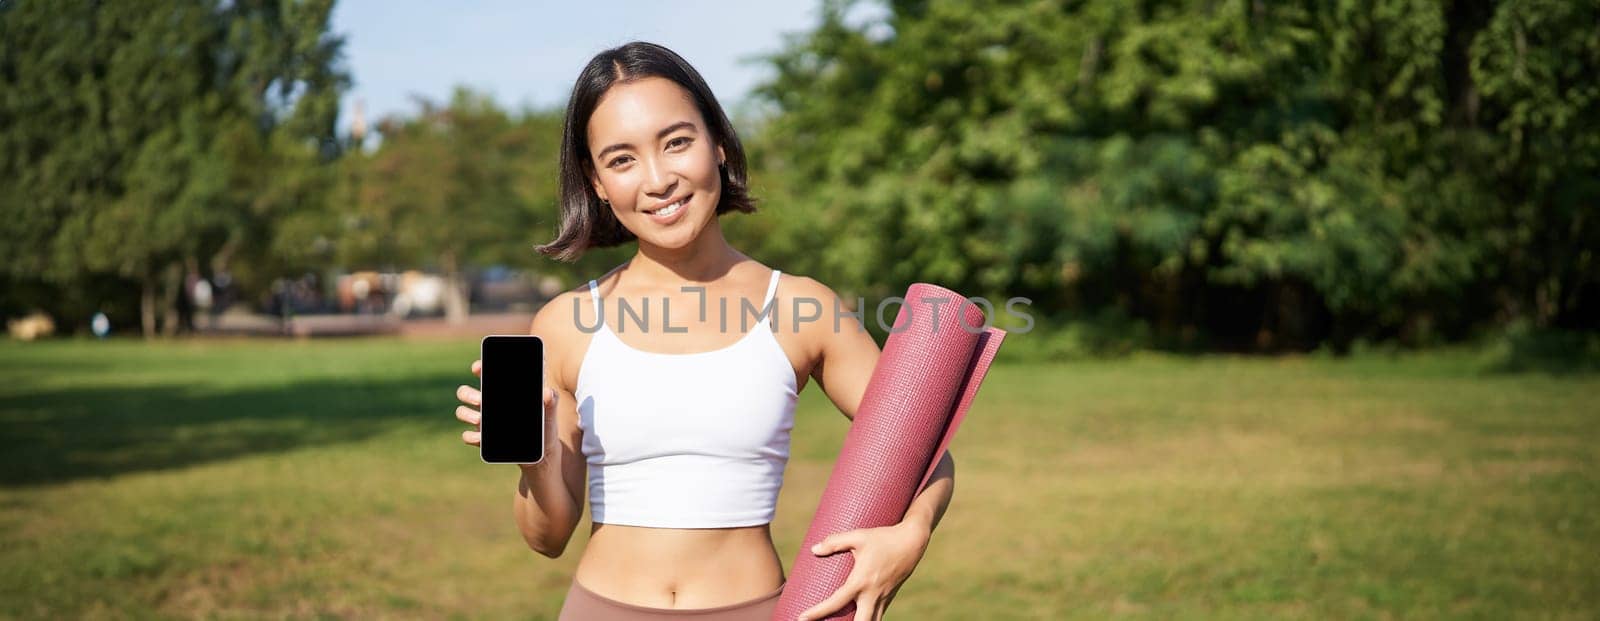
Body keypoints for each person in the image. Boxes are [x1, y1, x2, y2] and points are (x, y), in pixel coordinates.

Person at [453, 42, 956, 620]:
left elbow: (927, 447)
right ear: (595, 182)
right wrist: (536, 460)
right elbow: (548, 537)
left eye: (676, 142)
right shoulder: (565, 324)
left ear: (716, 143)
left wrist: (909, 536)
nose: (658, 179)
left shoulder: (800, 307)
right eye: (621, 160)